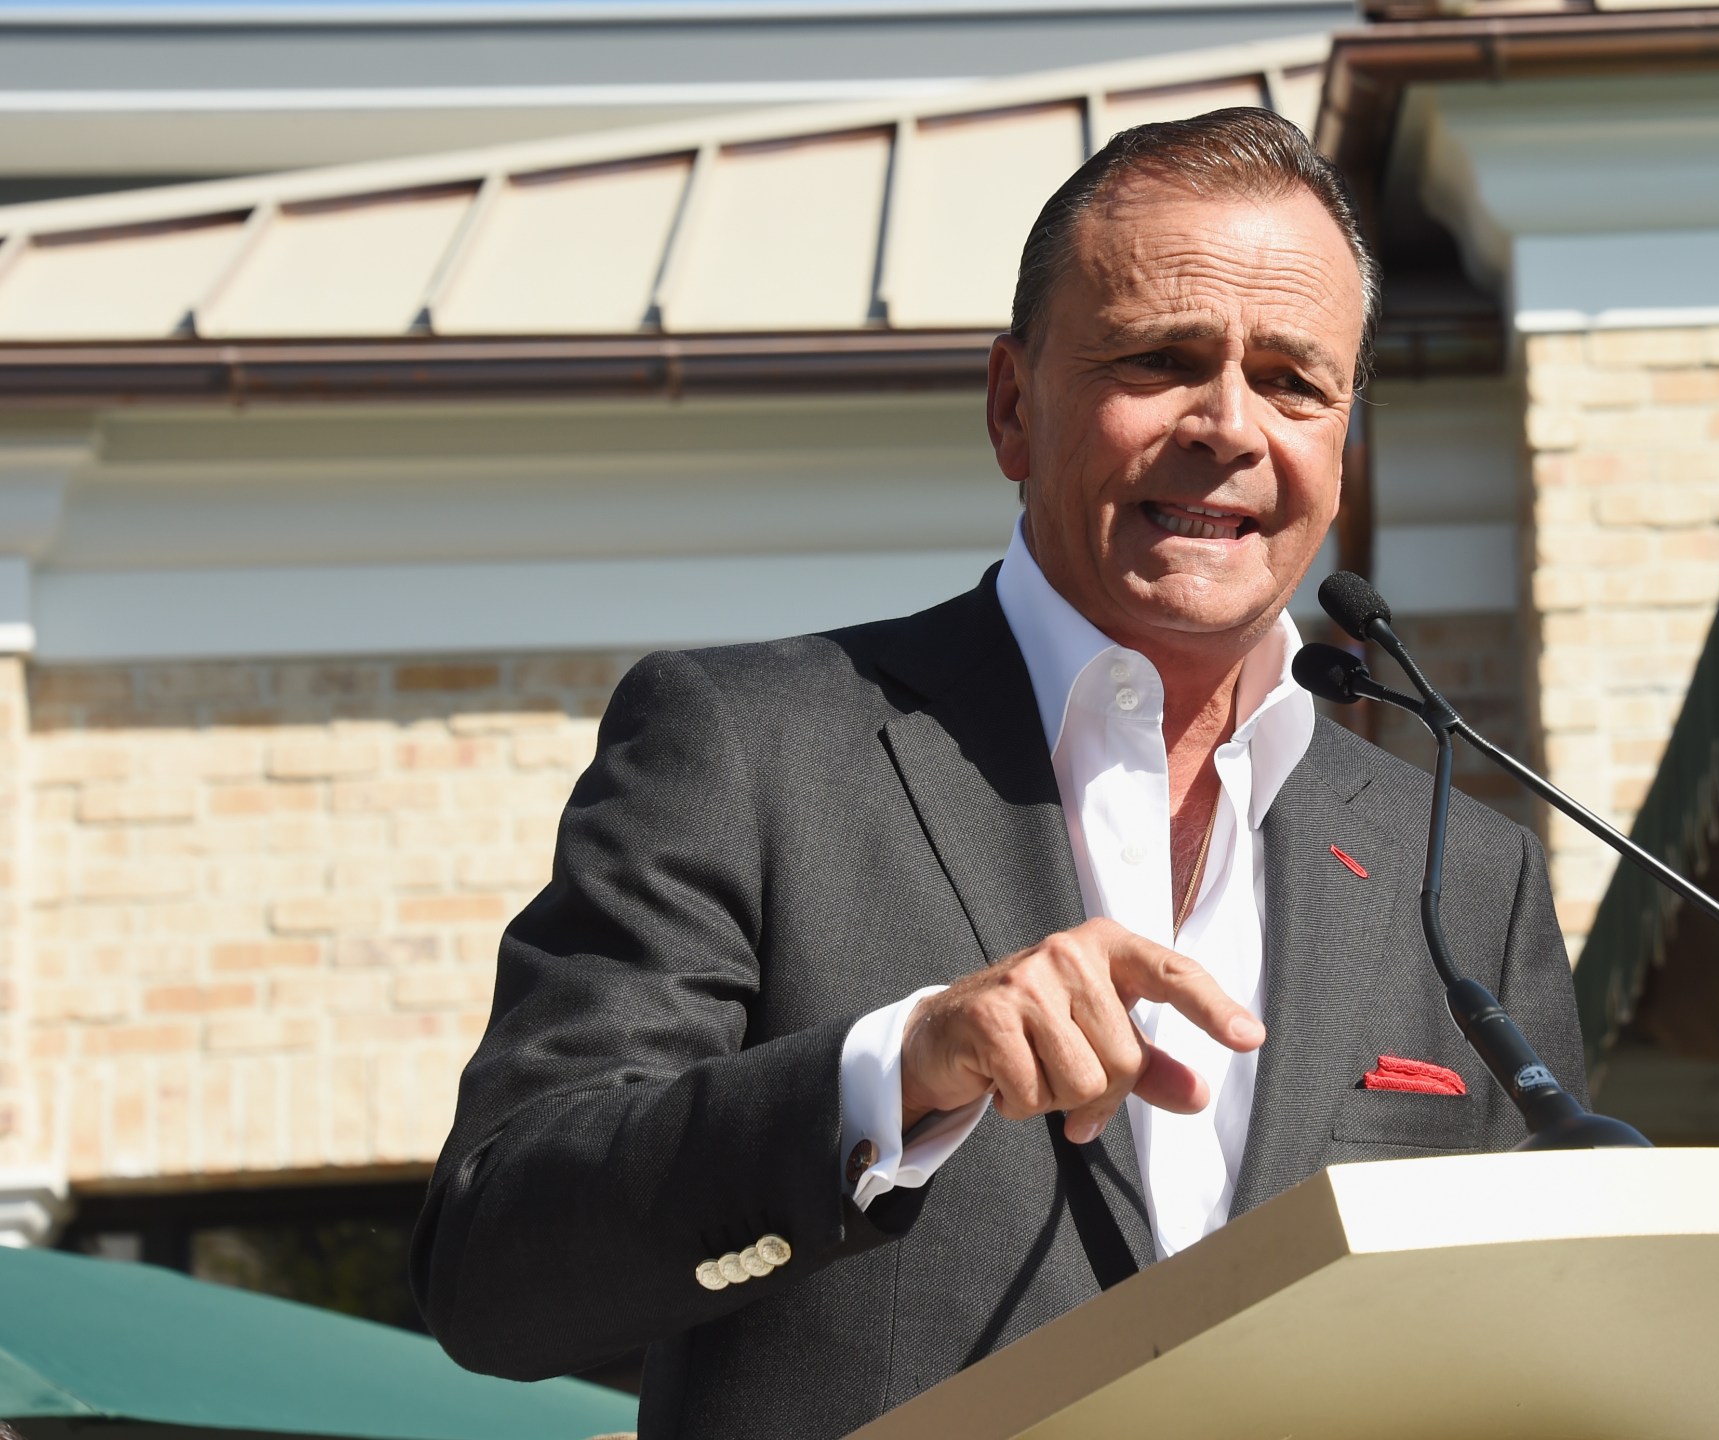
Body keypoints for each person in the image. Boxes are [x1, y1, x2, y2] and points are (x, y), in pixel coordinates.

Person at [411, 107, 1583, 1439]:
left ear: (1344, 441)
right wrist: (896, 1073)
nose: (1231, 425)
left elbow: (1541, 1347)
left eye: (1297, 383)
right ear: (1013, 407)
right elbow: (491, 1265)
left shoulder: (1465, 876)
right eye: (1161, 358)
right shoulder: (748, 746)